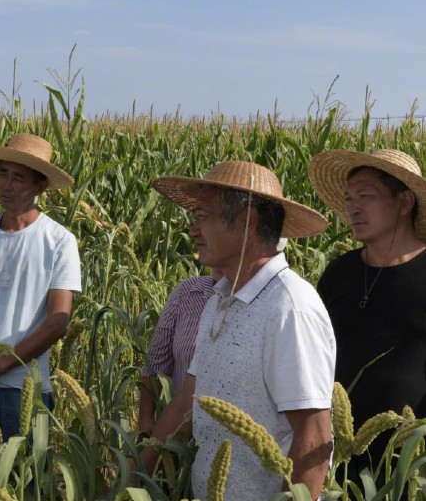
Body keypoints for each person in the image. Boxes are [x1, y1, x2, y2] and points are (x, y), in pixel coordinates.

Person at [141, 160, 335, 499]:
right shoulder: (219, 298)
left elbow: (314, 440)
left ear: (247, 222)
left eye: (202, 217)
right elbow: (189, 397)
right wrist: (136, 474)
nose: (192, 230)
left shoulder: (290, 307)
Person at [0, 133, 82, 439]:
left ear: (40, 186)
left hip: (24, 388)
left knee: (26, 482)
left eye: (18, 178)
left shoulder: (59, 242)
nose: (7, 185)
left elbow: (58, 322)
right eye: (2, 174)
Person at [309, 148, 426, 481]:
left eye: (366, 196)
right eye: (348, 198)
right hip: (335, 458)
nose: (352, 208)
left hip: (407, 464)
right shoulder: (338, 273)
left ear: (404, 203)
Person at [136, 268, 223, 436]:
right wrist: (146, 418)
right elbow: (155, 361)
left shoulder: (265, 301)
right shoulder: (188, 291)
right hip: (177, 433)